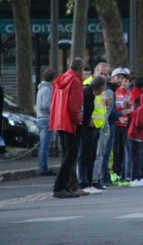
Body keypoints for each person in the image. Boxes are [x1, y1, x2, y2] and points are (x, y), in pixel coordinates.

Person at [50, 57, 85, 199]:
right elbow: (74, 105)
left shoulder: (61, 79)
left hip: (59, 120)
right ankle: (59, 186)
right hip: (70, 122)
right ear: (81, 68)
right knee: (70, 156)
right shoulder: (75, 81)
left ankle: (64, 186)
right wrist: (78, 120)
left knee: (67, 155)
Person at [77, 75, 107, 194]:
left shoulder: (91, 95)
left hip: (94, 127)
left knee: (91, 155)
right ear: (100, 87)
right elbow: (83, 111)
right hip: (86, 129)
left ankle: (88, 182)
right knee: (84, 155)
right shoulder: (86, 94)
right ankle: (83, 182)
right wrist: (87, 120)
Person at [36, 67, 57, 176]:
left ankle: (43, 166)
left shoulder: (42, 88)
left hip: (42, 119)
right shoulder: (47, 90)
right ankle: (43, 167)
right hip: (46, 119)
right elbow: (46, 105)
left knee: (44, 144)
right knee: (45, 144)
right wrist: (55, 110)